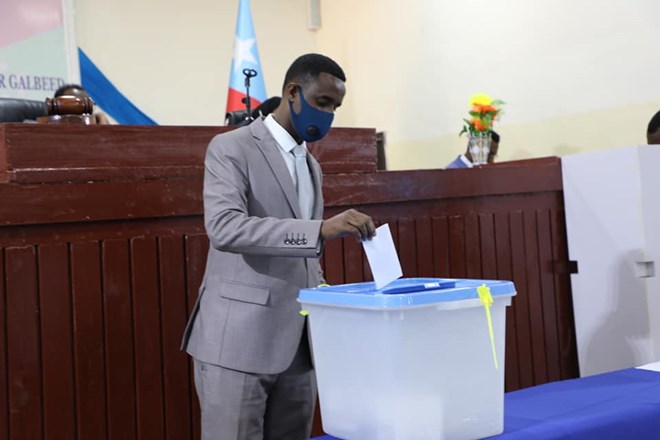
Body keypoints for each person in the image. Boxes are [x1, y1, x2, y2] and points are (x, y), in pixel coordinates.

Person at [181, 53, 376, 440]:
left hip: (300, 346)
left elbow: (301, 254)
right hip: (238, 342)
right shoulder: (231, 147)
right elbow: (224, 228)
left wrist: (327, 296)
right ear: (293, 92)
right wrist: (320, 230)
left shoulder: (311, 165)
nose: (328, 115)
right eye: (322, 102)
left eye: (335, 107)